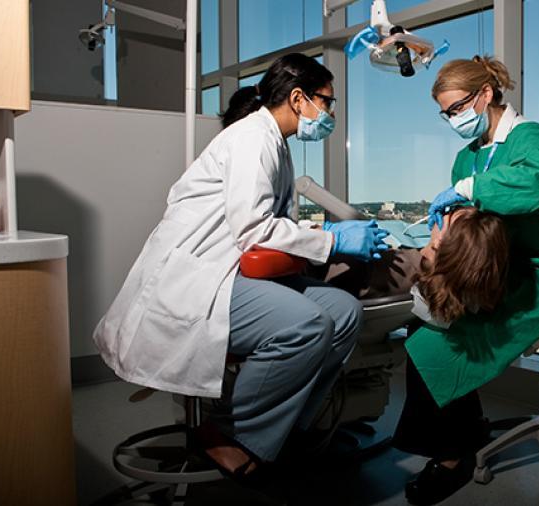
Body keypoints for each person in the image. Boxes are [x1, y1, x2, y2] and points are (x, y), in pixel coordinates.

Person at [93, 53, 389, 478]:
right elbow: (254, 229)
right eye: (328, 101)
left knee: (344, 313)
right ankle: (229, 433)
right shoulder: (252, 138)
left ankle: (283, 427)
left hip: (230, 271)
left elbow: (267, 221)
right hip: (200, 280)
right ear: (300, 98)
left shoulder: (276, 145)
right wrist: (333, 240)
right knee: (306, 324)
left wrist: (319, 236)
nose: (331, 112)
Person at [393, 55, 539, 505]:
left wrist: (468, 190)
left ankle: (452, 456)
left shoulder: (530, 138)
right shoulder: (468, 154)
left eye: (457, 107)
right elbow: (467, 228)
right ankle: (461, 435)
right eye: (446, 113)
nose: (452, 119)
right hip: (491, 269)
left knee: (441, 332)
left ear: (485, 95)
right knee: (427, 321)